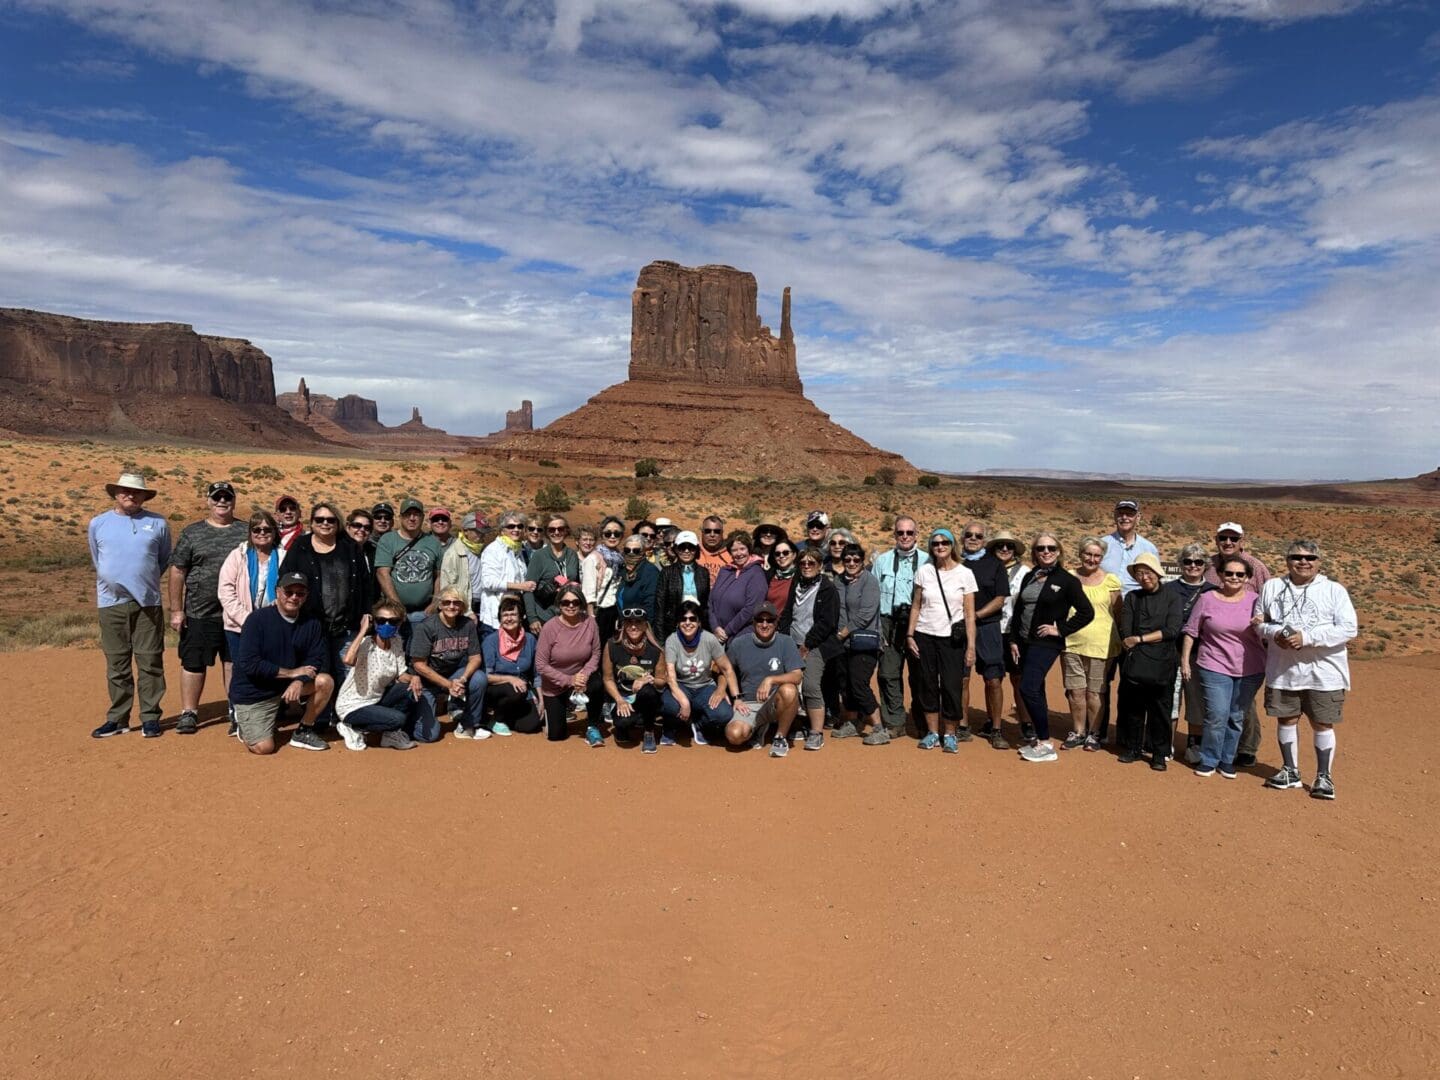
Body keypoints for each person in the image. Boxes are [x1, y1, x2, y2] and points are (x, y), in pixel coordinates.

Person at [1256, 540, 1357, 800]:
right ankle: (1290, 770)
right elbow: (1259, 622)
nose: (1303, 562)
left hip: (1324, 672)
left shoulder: (1334, 590)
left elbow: (1348, 629)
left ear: (1319, 561)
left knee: (1322, 723)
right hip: (1283, 670)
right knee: (1286, 718)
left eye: (1310, 557)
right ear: (1287, 560)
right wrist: (1274, 632)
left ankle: (1324, 776)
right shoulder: (1273, 587)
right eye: (1296, 557)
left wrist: (1307, 637)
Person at [89, 470, 172, 739]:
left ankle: (150, 717)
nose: (130, 495)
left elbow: (163, 560)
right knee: (117, 663)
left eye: (137, 492)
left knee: (150, 661)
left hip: (147, 603)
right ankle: (118, 718)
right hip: (110, 604)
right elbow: (97, 560)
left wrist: (143, 582)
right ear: (115, 493)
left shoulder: (157, 523)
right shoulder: (98, 524)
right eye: (125, 491)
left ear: (144, 496)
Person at [280, 501, 374, 723]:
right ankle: (317, 720)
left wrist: (366, 613)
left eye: (330, 520)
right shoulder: (300, 546)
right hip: (312, 625)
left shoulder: (349, 546)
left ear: (338, 523)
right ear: (311, 523)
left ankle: (346, 719)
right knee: (319, 674)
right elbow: (284, 579)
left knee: (346, 673)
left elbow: (365, 582)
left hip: (345, 623)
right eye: (319, 519)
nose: (325, 523)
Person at [168, 480, 246, 735]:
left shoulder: (246, 531)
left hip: (236, 612)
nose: (222, 502)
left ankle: (235, 709)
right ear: (208, 501)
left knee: (233, 661)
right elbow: (178, 571)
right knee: (193, 662)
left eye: (227, 497)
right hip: (199, 611)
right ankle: (189, 712)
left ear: (234, 501)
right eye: (217, 497)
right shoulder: (193, 533)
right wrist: (177, 610)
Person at [1008, 533, 1094, 763]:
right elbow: (1019, 610)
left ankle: (1046, 742)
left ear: (1058, 552)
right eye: (1041, 548)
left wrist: (1061, 629)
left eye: (1051, 548)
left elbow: (1087, 612)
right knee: (1037, 689)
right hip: (1025, 641)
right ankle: (1039, 739)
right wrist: (1014, 639)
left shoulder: (1067, 580)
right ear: (1034, 552)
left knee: (1028, 688)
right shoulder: (1030, 576)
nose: (1046, 552)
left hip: (1046, 643)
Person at [229, 572, 334, 754]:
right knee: (264, 748)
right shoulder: (257, 620)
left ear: (306, 596)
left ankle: (303, 731)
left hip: (285, 687)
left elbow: (315, 659)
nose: (294, 597)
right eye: (289, 592)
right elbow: (250, 663)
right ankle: (243, 722)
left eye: (300, 593)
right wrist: (291, 673)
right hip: (254, 693)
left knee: (325, 682)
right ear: (278, 592)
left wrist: (299, 680)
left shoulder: (312, 623)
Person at [1180, 556, 1265, 779]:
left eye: (1240, 574)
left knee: (1236, 716)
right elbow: (1191, 631)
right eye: (1229, 573)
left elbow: (1270, 630)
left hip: (1250, 667)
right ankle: (1209, 759)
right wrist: (1185, 661)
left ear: (1247, 578)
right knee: (1216, 714)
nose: (1234, 578)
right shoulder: (1207, 599)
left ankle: (1227, 759)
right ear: (1220, 575)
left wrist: (1262, 623)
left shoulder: (1257, 601)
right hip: (1214, 664)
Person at [905, 528, 977, 753]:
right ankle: (932, 733)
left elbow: (969, 614)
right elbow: (916, 605)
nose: (940, 547)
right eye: (935, 543)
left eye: (945, 542)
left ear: (952, 545)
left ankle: (951, 734)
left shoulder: (965, 574)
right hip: (925, 635)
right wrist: (910, 634)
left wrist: (971, 647)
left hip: (952, 640)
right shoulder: (924, 572)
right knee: (927, 684)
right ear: (931, 547)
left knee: (951, 686)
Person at [1204, 522, 1270, 767]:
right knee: (1218, 701)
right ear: (1217, 539)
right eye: (1224, 537)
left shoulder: (1256, 567)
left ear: (1243, 540)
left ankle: (1247, 747)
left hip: (1247, 648)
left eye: (1234, 538)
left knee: (1243, 701)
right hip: (1215, 645)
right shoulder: (1209, 565)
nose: (1228, 542)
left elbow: (1269, 599)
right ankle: (1216, 747)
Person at [1116, 553, 1184, 770]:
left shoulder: (1172, 597)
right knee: (1133, 707)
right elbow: (1126, 628)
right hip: (1136, 661)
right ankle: (1133, 747)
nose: (1145, 577)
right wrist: (1132, 640)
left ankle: (1159, 753)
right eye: (1140, 573)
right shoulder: (1132, 597)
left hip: (1163, 661)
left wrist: (1140, 639)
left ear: (1158, 573)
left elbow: (1172, 630)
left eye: (1148, 572)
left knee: (1160, 709)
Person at [333, 602, 423, 751]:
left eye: (392, 621)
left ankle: (390, 736)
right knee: (398, 719)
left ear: (399, 623)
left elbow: (400, 674)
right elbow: (348, 660)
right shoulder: (366, 643)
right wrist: (363, 630)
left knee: (409, 688)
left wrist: (414, 678)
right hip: (353, 705)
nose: (386, 624)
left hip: (375, 699)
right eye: (381, 620)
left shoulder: (396, 642)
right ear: (374, 622)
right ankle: (351, 727)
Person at [1061, 537, 1121, 751]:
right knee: (1075, 690)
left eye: (1097, 556)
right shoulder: (1068, 577)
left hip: (1102, 645)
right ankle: (1078, 731)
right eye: (1088, 554)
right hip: (1071, 643)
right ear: (1080, 553)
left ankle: (1094, 734)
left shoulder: (1111, 581)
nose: (1092, 559)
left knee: (1095, 692)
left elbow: (1117, 612)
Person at [778, 547, 842, 750]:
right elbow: (788, 612)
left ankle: (816, 732)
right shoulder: (796, 584)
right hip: (793, 642)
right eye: (803, 563)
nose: (806, 566)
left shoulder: (827, 588)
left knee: (810, 685)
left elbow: (827, 622)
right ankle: (796, 725)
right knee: (790, 687)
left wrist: (807, 645)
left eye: (811, 563)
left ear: (820, 566)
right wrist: (786, 640)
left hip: (816, 645)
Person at [958, 521, 1013, 749]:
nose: (973, 538)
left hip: (987, 626)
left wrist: (976, 615)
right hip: (959, 628)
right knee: (962, 678)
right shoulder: (955, 564)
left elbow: (1000, 598)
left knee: (993, 679)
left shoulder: (995, 565)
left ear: (984, 540)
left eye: (978, 536)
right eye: (968, 535)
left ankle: (996, 728)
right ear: (962, 538)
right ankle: (962, 726)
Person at [723, 602, 804, 756]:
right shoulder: (739, 643)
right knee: (734, 735)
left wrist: (771, 680)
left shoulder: (786, 642)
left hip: (775, 703)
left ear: (776, 622)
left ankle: (780, 737)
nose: (764, 624)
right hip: (749, 705)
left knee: (789, 689)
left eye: (770, 620)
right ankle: (758, 727)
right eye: (760, 620)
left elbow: (797, 675)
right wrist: (734, 696)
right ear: (753, 622)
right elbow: (724, 670)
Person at [873, 516, 928, 741]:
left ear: (917, 535)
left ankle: (924, 722)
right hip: (888, 620)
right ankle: (895, 722)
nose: (905, 536)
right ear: (894, 534)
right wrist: (877, 628)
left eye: (909, 532)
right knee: (888, 673)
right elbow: (873, 596)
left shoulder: (928, 560)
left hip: (921, 623)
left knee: (921, 675)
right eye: (900, 533)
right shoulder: (882, 561)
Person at [410, 586, 485, 742]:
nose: (451, 606)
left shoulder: (468, 625)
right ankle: (409, 721)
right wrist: (449, 685)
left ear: (462, 606)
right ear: (439, 605)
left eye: (456, 603)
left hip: (454, 675)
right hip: (427, 681)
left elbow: (476, 657)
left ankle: (468, 724)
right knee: (428, 736)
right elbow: (419, 665)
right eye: (447, 602)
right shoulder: (426, 626)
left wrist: (462, 679)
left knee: (479, 678)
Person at [661, 599, 738, 746]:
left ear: (699, 622)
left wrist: (736, 696)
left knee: (724, 714)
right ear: (677, 622)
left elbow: (727, 668)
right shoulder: (672, 640)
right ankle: (670, 727)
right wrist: (683, 701)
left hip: (705, 686)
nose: (688, 623)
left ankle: (698, 724)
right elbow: (670, 676)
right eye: (683, 619)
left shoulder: (709, 639)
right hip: (681, 685)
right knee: (670, 705)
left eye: (692, 619)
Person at [535, 584, 603, 745]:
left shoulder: (590, 623)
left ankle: (592, 725)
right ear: (559, 604)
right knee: (556, 735)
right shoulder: (550, 627)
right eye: (565, 602)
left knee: (597, 683)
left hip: (581, 680)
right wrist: (569, 680)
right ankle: (556, 709)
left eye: (575, 602)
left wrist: (584, 675)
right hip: (555, 684)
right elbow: (540, 664)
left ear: (581, 603)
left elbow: (596, 653)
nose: (571, 606)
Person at [1168, 544, 1217, 764]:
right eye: (1188, 561)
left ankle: (1194, 744)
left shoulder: (1214, 591)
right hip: (1170, 653)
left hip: (1202, 655)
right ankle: (1165, 743)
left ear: (1205, 565)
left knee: (1197, 702)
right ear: (1181, 564)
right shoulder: (1168, 589)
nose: (1193, 566)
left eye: (1198, 562)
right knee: (1170, 699)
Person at [832, 543, 884, 745]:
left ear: (863, 561)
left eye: (856, 559)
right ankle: (852, 722)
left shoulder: (869, 582)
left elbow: (865, 615)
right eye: (847, 559)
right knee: (845, 684)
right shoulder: (839, 581)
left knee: (859, 683)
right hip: (843, 644)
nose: (851, 563)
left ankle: (879, 727)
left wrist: (842, 633)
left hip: (864, 642)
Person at [601, 608, 671, 752]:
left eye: (638, 622)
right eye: (629, 622)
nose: (633, 626)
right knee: (624, 722)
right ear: (624, 625)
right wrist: (619, 700)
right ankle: (626, 725)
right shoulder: (612, 645)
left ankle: (649, 732)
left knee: (648, 692)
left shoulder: (655, 650)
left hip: (645, 697)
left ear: (646, 625)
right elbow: (608, 678)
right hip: (622, 697)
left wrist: (648, 680)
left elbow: (661, 680)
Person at [218, 510, 282, 661]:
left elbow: (288, 589)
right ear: (250, 532)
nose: (262, 533)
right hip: (239, 627)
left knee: (270, 669)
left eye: (267, 529)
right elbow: (225, 590)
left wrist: (275, 614)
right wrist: (247, 620)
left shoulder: (284, 556)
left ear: (274, 532)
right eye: (256, 529)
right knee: (242, 670)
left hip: (273, 626)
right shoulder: (238, 555)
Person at [374, 497, 444, 635]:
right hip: (394, 613)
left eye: (416, 514)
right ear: (400, 517)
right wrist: (397, 606)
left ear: (423, 517)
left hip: (425, 612)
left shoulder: (432, 542)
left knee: (421, 653)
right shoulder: (388, 540)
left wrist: (435, 604)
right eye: (407, 514)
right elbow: (382, 573)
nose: (412, 518)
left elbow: (439, 575)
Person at [987, 531, 1032, 742]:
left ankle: (1026, 722)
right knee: (993, 679)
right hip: (991, 630)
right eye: (1000, 545)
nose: (1005, 549)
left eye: (1009, 546)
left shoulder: (1025, 573)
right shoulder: (986, 569)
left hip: (1015, 633)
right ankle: (993, 722)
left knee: (1018, 678)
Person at [480, 594, 543, 735]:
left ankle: (506, 717)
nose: (509, 618)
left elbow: (537, 674)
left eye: (513, 614)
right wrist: (510, 679)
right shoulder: (491, 641)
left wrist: (541, 700)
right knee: (514, 690)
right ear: (500, 619)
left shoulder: (530, 639)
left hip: (522, 691)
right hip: (496, 690)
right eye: (505, 615)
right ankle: (496, 718)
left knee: (531, 725)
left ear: (521, 617)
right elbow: (486, 676)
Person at [478, 511, 535, 637]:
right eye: (511, 526)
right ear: (502, 530)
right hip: (494, 617)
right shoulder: (493, 550)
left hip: (515, 615)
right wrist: (520, 586)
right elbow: (488, 582)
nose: (516, 529)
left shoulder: (520, 551)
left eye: (520, 526)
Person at [524, 514, 582, 633]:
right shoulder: (539, 556)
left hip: (568, 615)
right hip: (544, 617)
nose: (556, 532)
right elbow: (528, 589)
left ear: (566, 531)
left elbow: (577, 582)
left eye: (560, 529)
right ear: (546, 532)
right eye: (552, 529)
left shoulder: (572, 555)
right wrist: (532, 618)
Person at [709, 530, 768, 644]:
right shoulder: (725, 570)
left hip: (739, 636)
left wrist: (727, 631)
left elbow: (751, 609)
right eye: (734, 550)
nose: (739, 553)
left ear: (749, 550)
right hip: (717, 633)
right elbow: (711, 601)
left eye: (742, 548)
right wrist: (715, 626)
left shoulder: (756, 574)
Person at [656, 530, 710, 641]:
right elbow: (660, 606)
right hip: (673, 629)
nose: (686, 551)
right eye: (682, 547)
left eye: (690, 547)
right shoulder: (667, 573)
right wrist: (661, 639)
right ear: (675, 549)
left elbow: (705, 605)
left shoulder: (704, 573)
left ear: (696, 550)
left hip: (697, 628)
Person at [439, 510, 489, 622]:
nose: (482, 535)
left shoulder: (484, 550)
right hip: (465, 607)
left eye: (484, 532)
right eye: (478, 532)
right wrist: (466, 611)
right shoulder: (453, 553)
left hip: (484, 603)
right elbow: (447, 588)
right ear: (466, 531)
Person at [583, 515, 625, 644]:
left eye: (616, 533)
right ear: (602, 535)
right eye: (608, 533)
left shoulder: (621, 559)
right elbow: (588, 590)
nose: (612, 536)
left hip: (616, 610)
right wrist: (591, 617)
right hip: (600, 612)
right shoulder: (593, 559)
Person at [615, 534, 661, 626]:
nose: (631, 553)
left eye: (636, 551)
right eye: (627, 550)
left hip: (640, 626)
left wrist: (646, 628)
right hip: (625, 625)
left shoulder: (650, 572)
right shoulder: (623, 571)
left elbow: (650, 605)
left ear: (643, 551)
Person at [764, 538, 798, 613]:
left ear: (794, 555)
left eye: (786, 552)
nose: (781, 556)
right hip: (769, 622)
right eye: (777, 554)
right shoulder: (768, 576)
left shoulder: (801, 577)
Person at [697, 515, 732, 584]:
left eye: (717, 531)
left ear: (722, 533)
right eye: (707, 531)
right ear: (702, 532)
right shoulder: (692, 552)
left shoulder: (732, 555)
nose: (712, 535)